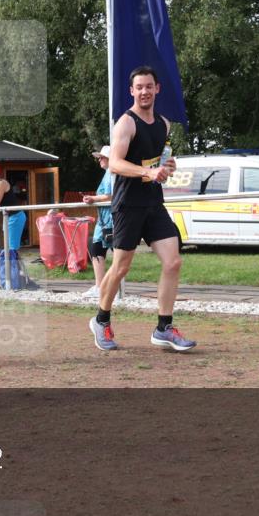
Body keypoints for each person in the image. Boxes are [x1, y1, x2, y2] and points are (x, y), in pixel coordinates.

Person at [90, 66, 196, 352]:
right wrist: (147, 172)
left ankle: (164, 328)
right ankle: (101, 320)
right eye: (139, 87)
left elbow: (159, 161)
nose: (144, 91)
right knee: (121, 266)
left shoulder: (164, 124)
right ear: (132, 91)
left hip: (153, 202)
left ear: (157, 88)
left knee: (173, 262)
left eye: (149, 86)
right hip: (128, 204)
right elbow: (115, 163)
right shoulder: (126, 123)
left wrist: (167, 167)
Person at [81, 145, 115, 299]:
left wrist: (92, 198)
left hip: (110, 219)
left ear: (109, 158)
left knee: (117, 253)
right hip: (104, 219)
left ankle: (109, 287)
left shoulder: (111, 173)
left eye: (101, 157)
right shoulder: (108, 173)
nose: (99, 160)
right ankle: (100, 286)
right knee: (97, 249)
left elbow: (109, 195)